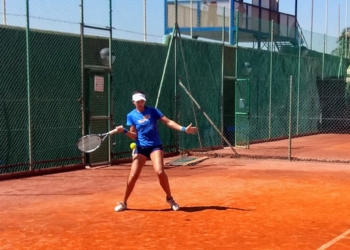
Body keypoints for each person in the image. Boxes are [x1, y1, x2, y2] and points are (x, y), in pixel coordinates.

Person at [113, 91, 198, 212]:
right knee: (132, 176)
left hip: (155, 147)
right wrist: (125, 131)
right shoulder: (131, 115)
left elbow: (168, 122)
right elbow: (135, 136)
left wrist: (184, 129)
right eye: (138, 101)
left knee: (160, 172)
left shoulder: (153, 111)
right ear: (133, 102)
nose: (140, 103)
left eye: (142, 101)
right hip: (140, 148)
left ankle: (170, 199)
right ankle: (124, 202)